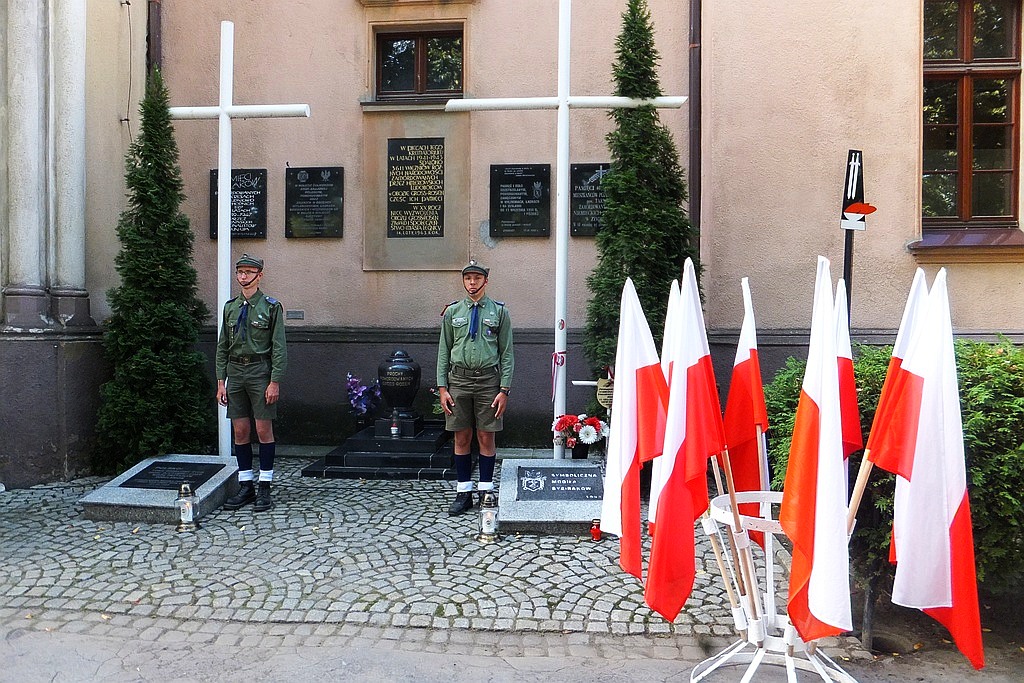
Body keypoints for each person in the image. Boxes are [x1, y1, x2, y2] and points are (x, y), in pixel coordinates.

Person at [436, 260, 514, 515]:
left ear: (485, 281)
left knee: (486, 435)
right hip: (458, 381)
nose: (472, 283)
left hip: (488, 382)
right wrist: (442, 388)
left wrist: (504, 389)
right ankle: (463, 492)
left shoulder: (499, 312)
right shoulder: (452, 312)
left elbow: (507, 353)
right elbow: (444, 351)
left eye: (476, 278)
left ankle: (486, 490)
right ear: (463, 282)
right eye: (468, 278)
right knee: (461, 436)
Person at [216, 254, 287, 512]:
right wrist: (220, 382)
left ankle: (265, 486)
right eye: (240, 272)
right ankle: (246, 485)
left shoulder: (271, 307)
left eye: (248, 272)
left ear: (260, 275)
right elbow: (223, 346)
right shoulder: (230, 307)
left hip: (259, 371)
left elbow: (279, 348)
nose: (243, 277)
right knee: (241, 431)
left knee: (263, 429)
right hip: (235, 372)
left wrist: (274, 381)